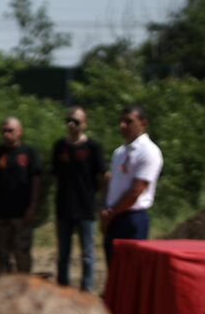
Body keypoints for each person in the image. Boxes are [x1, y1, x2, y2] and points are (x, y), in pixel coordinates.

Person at [101, 105, 162, 270]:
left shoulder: (148, 151)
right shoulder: (119, 152)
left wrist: (111, 213)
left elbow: (136, 191)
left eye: (128, 121)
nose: (123, 126)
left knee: (130, 270)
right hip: (114, 215)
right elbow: (111, 180)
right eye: (121, 121)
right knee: (113, 269)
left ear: (143, 124)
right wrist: (105, 208)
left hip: (132, 218)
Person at [51, 105, 105, 291]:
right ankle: (62, 288)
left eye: (76, 121)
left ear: (84, 124)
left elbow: (103, 175)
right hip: (64, 207)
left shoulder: (93, 147)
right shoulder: (59, 147)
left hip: (85, 207)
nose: (72, 124)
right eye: (69, 120)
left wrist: (98, 198)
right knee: (63, 253)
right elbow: (56, 175)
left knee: (87, 254)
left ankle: (87, 290)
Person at [0, 115, 42, 274]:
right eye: (4, 131)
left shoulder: (29, 153)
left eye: (11, 130)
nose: (7, 134)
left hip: (21, 213)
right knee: (1, 254)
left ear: (20, 132)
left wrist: (33, 207)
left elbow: (36, 182)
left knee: (22, 254)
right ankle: (4, 290)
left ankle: (24, 291)